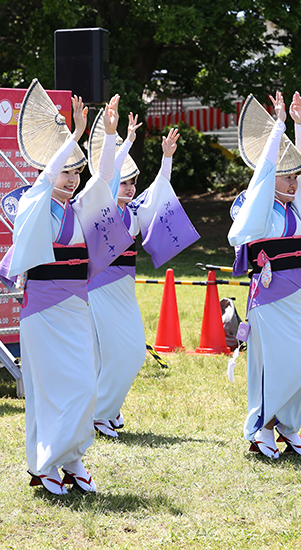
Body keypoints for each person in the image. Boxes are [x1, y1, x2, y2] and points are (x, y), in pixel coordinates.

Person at [0, 93, 131, 495]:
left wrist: (106, 137)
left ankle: (69, 457)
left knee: (83, 386)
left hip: (76, 309)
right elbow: (40, 184)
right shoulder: (33, 203)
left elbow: (104, 182)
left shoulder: (79, 207)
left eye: (76, 172)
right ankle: (49, 461)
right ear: (48, 172)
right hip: (43, 311)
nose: (72, 179)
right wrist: (72, 136)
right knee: (54, 389)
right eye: (65, 172)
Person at [228, 91, 301, 459]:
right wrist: (277, 128)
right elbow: (264, 179)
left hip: (294, 301)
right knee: (270, 368)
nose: (293, 183)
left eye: (295, 178)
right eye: (286, 177)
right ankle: (261, 429)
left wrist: (299, 126)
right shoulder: (253, 207)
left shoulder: (296, 209)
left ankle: (286, 425)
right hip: (267, 302)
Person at [89, 117, 200, 438]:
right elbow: (106, 178)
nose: (131, 188)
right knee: (111, 354)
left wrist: (167, 158)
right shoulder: (102, 207)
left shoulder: (133, 211)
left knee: (134, 352)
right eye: (125, 183)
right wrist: (123, 142)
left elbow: (158, 192)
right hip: (97, 289)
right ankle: (100, 413)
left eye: (133, 182)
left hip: (123, 291)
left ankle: (105, 409)